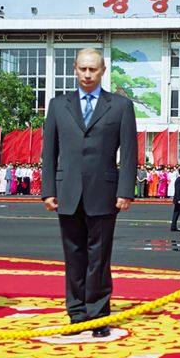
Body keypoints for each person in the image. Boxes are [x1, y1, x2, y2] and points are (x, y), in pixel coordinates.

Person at [41, 47, 137, 338]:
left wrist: (126, 191)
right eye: (82, 68)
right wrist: (48, 189)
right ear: (74, 69)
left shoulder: (120, 106)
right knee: (73, 255)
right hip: (66, 190)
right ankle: (77, 313)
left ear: (103, 71)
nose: (87, 74)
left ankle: (98, 314)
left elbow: (130, 152)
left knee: (99, 257)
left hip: (104, 192)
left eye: (93, 69)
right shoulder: (58, 105)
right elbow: (50, 151)